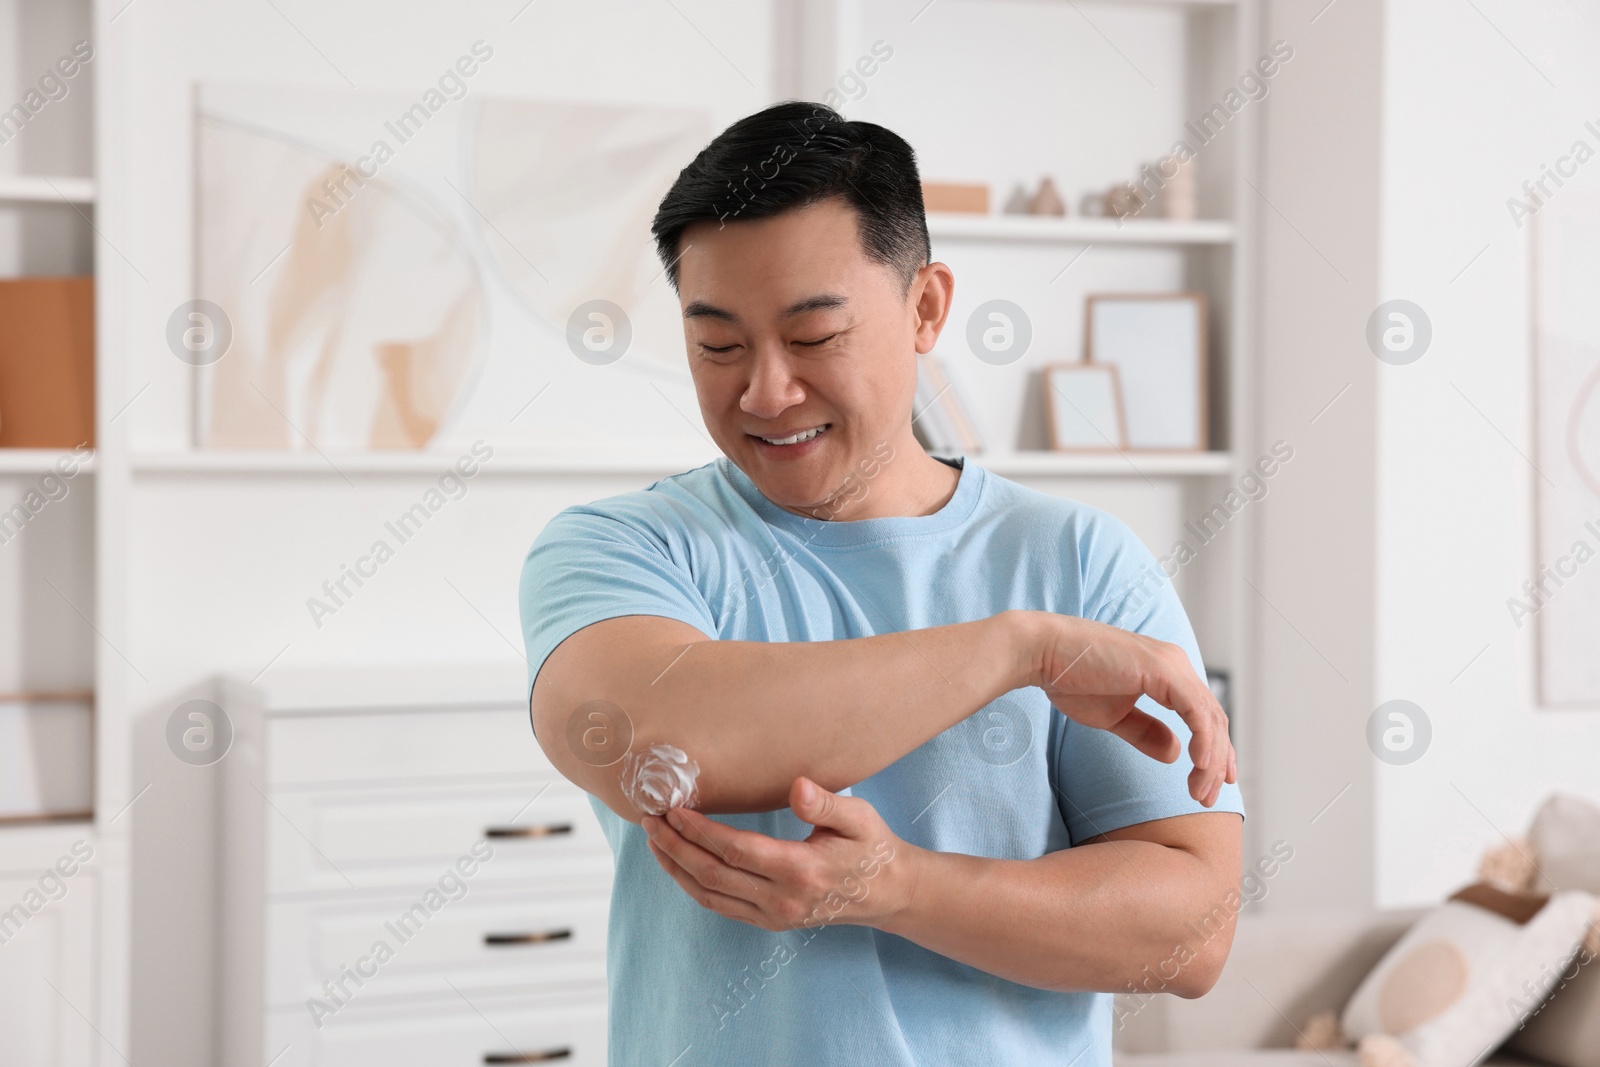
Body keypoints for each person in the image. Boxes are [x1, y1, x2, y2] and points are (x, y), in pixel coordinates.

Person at [519, 100, 1244, 1067]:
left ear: (926, 308)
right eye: (719, 346)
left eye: (814, 337)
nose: (765, 393)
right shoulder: (624, 549)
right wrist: (1016, 651)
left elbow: (1195, 929)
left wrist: (899, 887)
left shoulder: (1080, 560)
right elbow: (651, 736)